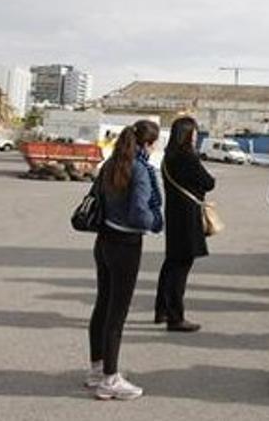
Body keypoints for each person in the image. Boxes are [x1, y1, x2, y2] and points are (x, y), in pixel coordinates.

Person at [87, 120, 163, 401]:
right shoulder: (141, 170)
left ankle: (97, 368)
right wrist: (156, 221)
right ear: (147, 144)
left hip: (104, 240)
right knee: (117, 313)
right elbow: (140, 214)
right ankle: (110, 378)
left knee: (103, 304)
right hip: (126, 245)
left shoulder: (110, 164)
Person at [155, 116, 215, 332]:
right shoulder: (188, 156)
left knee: (171, 263)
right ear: (188, 134)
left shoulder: (168, 156)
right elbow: (209, 182)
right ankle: (175, 317)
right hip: (188, 217)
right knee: (181, 268)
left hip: (174, 214)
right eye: (195, 132)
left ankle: (161, 310)